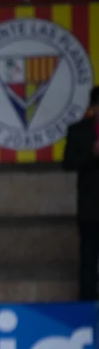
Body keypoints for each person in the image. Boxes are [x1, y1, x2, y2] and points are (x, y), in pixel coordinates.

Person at [61, 86, 99, 302]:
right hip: (91, 207)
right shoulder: (79, 130)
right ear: (94, 107)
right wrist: (91, 154)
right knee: (88, 257)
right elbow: (67, 163)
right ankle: (87, 304)